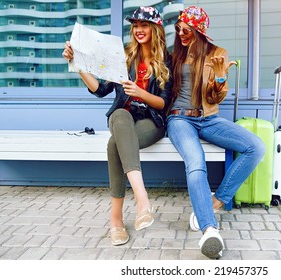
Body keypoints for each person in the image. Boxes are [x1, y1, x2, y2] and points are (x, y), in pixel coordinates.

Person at [62, 6, 172, 246]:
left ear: (155, 28)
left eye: (144, 25)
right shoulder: (124, 56)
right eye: (135, 26)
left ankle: (116, 220)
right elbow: (101, 90)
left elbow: (164, 103)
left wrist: (141, 93)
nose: (138, 30)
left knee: (114, 145)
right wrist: (77, 64)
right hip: (123, 117)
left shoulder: (167, 59)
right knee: (121, 115)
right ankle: (142, 199)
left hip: (151, 121)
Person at [167, 6, 266, 259]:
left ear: (199, 32)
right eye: (178, 29)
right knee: (196, 162)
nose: (180, 33)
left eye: (186, 30)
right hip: (180, 119)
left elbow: (215, 97)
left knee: (256, 146)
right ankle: (210, 229)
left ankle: (215, 202)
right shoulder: (173, 55)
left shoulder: (217, 54)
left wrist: (220, 79)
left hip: (209, 118)